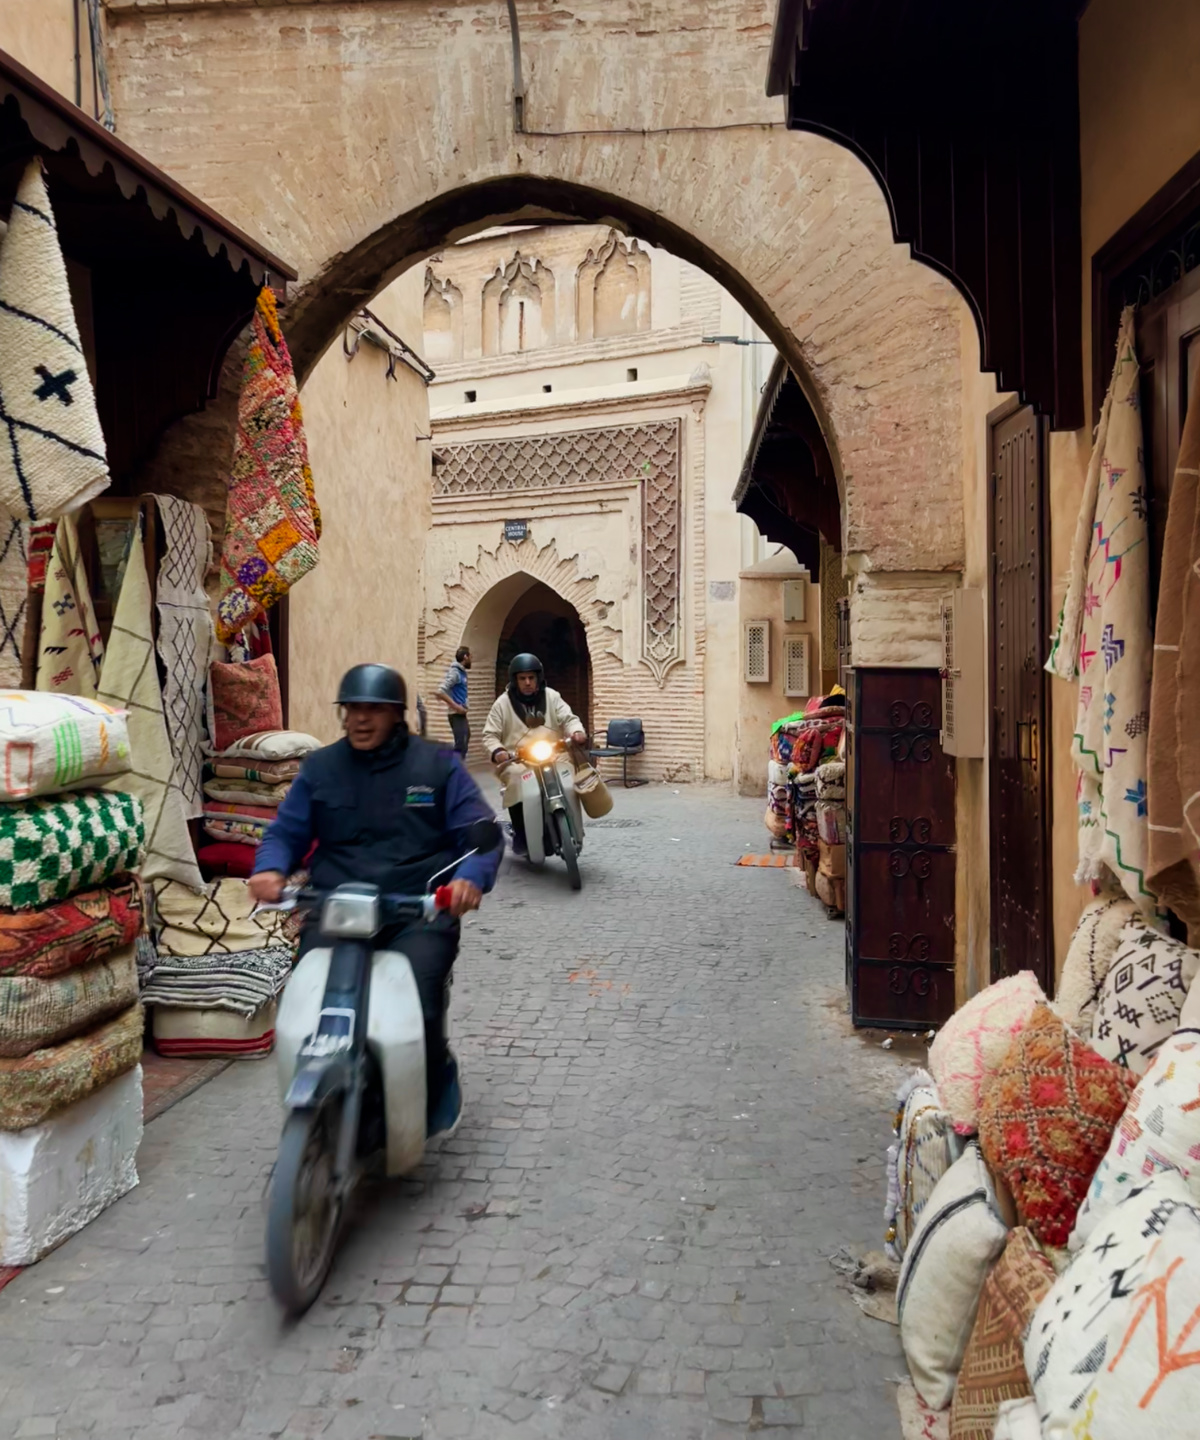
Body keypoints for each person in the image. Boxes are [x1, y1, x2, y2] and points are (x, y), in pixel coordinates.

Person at [248, 663, 502, 1137]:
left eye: (374, 710)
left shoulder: (437, 766)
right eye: (352, 710)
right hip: (336, 910)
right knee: (309, 1003)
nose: (361, 720)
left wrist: (469, 879)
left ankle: (432, 1073)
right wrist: (270, 867)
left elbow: (478, 836)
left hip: (418, 911)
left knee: (420, 1006)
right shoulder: (320, 768)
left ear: (395, 715)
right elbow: (286, 830)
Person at [482, 652, 586, 856]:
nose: (528, 683)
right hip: (519, 759)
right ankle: (521, 833)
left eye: (531, 677)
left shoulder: (552, 697)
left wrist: (577, 731)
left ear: (538, 678)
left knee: (569, 778)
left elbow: (568, 718)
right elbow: (490, 735)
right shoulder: (502, 704)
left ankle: (575, 828)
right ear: (515, 680)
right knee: (515, 777)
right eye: (522, 678)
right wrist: (499, 751)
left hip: (554, 754)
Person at [436, 646, 471, 758]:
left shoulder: (461, 672)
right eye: (471, 657)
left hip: (461, 714)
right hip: (456, 714)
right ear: (466, 657)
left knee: (465, 739)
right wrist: (456, 707)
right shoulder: (455, 672)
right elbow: (441, 691)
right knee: (461, 744)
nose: (472, 660)